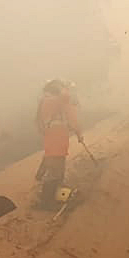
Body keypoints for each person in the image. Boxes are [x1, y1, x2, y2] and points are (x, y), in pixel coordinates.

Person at [35, 79, 82, 209]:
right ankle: (47, 201)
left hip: (51, 137)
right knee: (56, 170)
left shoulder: (45, 101)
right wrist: (79, 133)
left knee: (54, 166)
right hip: (58, 138)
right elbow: (72, 118)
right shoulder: (59, 100)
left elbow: (41, 122)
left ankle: (52, 195)